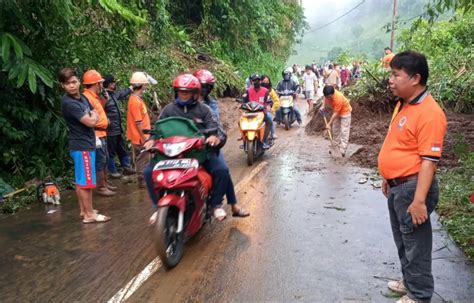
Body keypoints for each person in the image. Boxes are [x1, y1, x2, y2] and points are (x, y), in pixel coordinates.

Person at [378, 51, 447, 303]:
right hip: (398, 186)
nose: (391, 80)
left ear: (415, 78)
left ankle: (419, 295)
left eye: (396, 75)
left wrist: (419, 201)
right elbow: (398, 144)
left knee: (416, 244)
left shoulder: (430, 113)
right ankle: (409, 282)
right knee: (404, 240)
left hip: (413, 189)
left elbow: (429, 161)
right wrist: (388, 176)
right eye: (391, 74)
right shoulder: (404, 104)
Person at [144, 74, 231, 222]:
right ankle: (157, 206)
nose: (183, 95)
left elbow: (214, 129)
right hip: (171, 154)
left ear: (195, 93)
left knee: (221, 170)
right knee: (148, 172)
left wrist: (212, 138)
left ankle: (216, 204)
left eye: (187, 92)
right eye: (180, 91)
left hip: (199, 152)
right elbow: (157, 130)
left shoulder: (204, 110)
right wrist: (152, 140)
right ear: (176, 91)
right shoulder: (168, 110)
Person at [193, 69, 250, 217]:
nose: (202, 90)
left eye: (206, 87)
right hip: (184, 146)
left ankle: (230, 205)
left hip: (206, 146)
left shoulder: (211, 105)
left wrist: (213, 137)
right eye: (201, 86)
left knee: (222, 170)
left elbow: (216, 124)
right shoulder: (180, 102)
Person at [59, 68, 110, 223]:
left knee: (82, 181)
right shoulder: (69, 103)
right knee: (86, 182)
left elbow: (93, 111)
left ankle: (85, 210)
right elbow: (90, 121)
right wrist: (93, 117)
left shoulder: (82, 98)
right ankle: (89, 215)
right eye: (68, 84)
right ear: (62, 86)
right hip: (81, 146)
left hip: (85, 143)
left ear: (79, 82)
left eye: (74, 82)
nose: (72, 86)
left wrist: (92, 115)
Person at [82, 70, 117, 196]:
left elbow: (98, 110)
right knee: (100, 160)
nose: (102, 86)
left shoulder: (94, 97)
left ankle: (105, 183)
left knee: (105, 159)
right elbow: (89, 116)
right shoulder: (87, 98)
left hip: (102, 133)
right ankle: (101, 187)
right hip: (96, 134)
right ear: (96, 84)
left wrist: (105, 100)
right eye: (100, 83)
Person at [102, 74, 135, 178]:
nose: (115, 84)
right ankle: (112, 171)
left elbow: (122, 93)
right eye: (114, 83)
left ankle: (126, 167)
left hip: (117, 129)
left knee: (122, 149)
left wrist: (130, 89)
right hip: (110, 130)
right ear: (110, 84)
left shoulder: (113, 94)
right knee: (110, 151)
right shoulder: (103, 97)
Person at [126, 71, 151, 188]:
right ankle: (143, 181)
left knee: (144, 158)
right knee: (142, 159)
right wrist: (145, 137)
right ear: (142, 85)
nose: (146, 87)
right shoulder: (135, 101)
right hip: (139, 137)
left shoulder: (136, 99)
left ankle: (144, 179)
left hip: (140, 136)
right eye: (145, 85)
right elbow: (138, 122)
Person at [242, 73, 274, 148]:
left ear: (260, 81)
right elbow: (243, 99)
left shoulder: (265, 91)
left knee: (269, 121)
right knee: (240, 122)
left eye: (258, 80)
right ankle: (243, 138)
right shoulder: (248, 91)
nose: (256, 82)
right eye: (254, 80)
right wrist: (241, 104)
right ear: (252, 81)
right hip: (249, 113)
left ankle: (264, 139)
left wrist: (269, 106)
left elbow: (269, 100)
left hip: (261, 113)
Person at [320, 86, 352, 156]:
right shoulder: (327, 93)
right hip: (337, 112)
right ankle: (335, 147)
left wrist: (329, 124)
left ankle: (342, 150)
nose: (328, 98)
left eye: (330, 97)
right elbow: (325, 97)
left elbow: (336, 113)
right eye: (327, 97)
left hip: (345, 113)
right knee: (335, 130)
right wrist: (323, 106)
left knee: (344, 131)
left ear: (333, 94)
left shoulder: (338, 98)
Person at [261, 74, 279, 139]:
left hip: (267, 110)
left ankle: (273, 133)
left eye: (267, 81)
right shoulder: (257, 90)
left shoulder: (271, 91)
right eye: (264, 81)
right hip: (257, 109)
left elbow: (276, 100)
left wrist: (272, 109)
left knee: (269, 118)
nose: (265, 82)